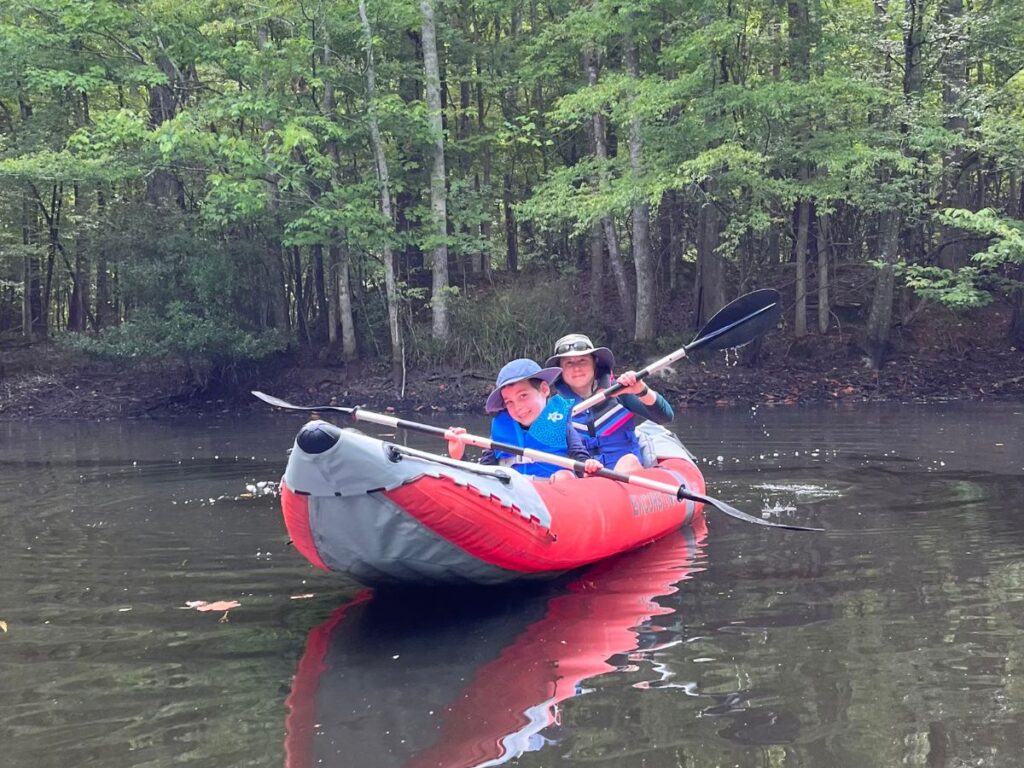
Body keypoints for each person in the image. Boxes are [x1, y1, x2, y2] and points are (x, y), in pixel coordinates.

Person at [446, 358, 603, 480]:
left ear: (544, 390)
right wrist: (459, 456)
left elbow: (581, 458)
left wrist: (588, 467)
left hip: (553, 495)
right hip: (513, 498)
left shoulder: (560, 425)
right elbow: (481, 477)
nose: (518, 407)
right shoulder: (501, 431)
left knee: (564, 477)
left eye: (523, 396)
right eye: (509, 402)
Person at [545, 333, 674, 474]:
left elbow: (665, 416)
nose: (576, 368)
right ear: (560, 369)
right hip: (582, 480)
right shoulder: (553, 410)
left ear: (595, 363)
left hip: (627, 475)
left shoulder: (620, 391)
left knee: (628, 461)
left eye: (582, 360)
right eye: (569, 363)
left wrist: (641, 390)